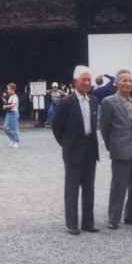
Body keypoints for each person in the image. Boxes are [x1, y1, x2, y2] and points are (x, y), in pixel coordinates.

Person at [52, 66, 100, 235]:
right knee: (72, 188)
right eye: (83, 80)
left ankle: (88, 222)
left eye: (89, 80)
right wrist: (66, 144)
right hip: (73, 150)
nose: (87, 83)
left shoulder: (93, 100)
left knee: (89, 188)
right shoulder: (66, 102)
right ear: (75, 82)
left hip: (90, 149)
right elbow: (57, 127)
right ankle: (72, 223)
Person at [100, 70, 132, 229]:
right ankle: (114, 218)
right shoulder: (108, 102)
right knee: (119, 186)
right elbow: (105, 127)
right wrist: (112, 146)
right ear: (116, 83)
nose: (128, 83)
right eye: (124, 80)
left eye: (130, 80)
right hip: (120, 149)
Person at [2, 82, 21, 148]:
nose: (7, 90)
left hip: (14, 113)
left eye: (8, 89)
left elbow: (13, 105)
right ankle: (12, 139)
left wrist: (6, 106)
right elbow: (8, 103)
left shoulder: (15, 96)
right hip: (9, 113)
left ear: (12, 89)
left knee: (14, 128)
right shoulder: (10, 96)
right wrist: (4, 102)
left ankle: (16, 141)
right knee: (5, 127)